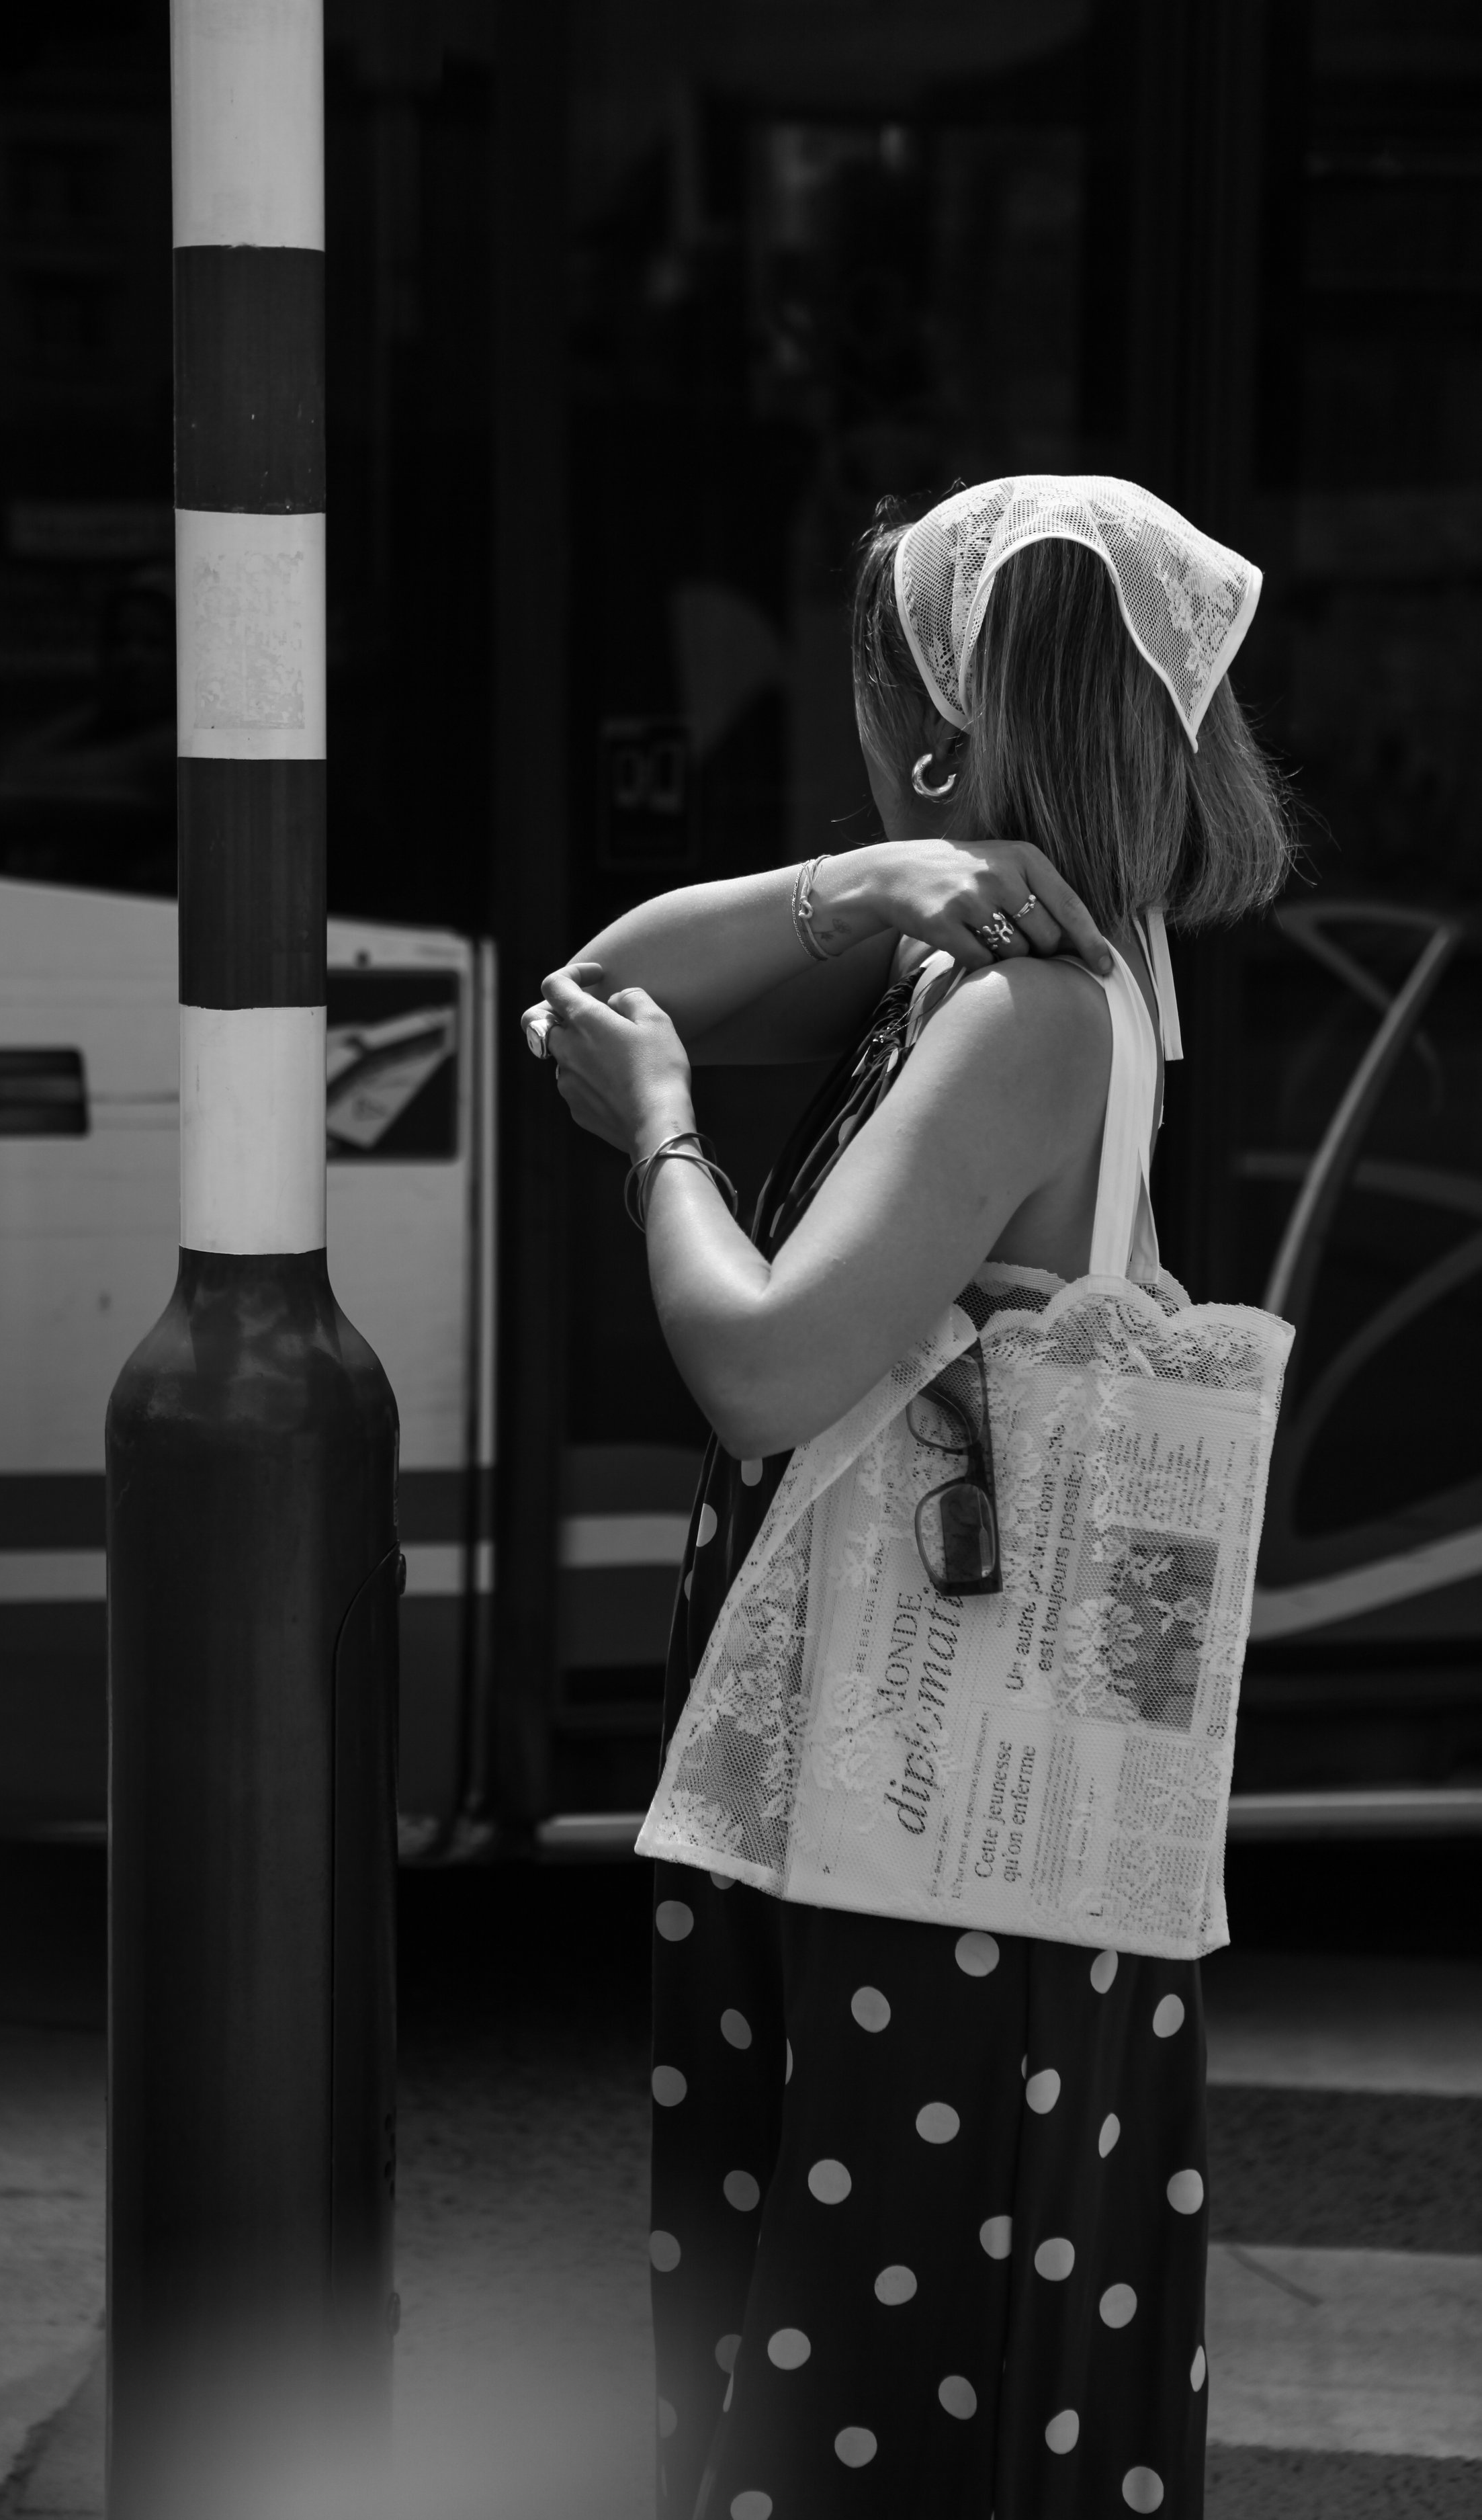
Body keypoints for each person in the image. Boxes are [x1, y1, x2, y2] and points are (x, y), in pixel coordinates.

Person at [522, 476, 1293, 2520]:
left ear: (940, 708)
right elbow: (595, 981)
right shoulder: (1044, 962)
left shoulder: (1022, 1015)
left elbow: (764, 1362)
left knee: (871, 2368)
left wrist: (664, 1144)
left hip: (921, 1847)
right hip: (935, 1829)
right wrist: (874, 877)